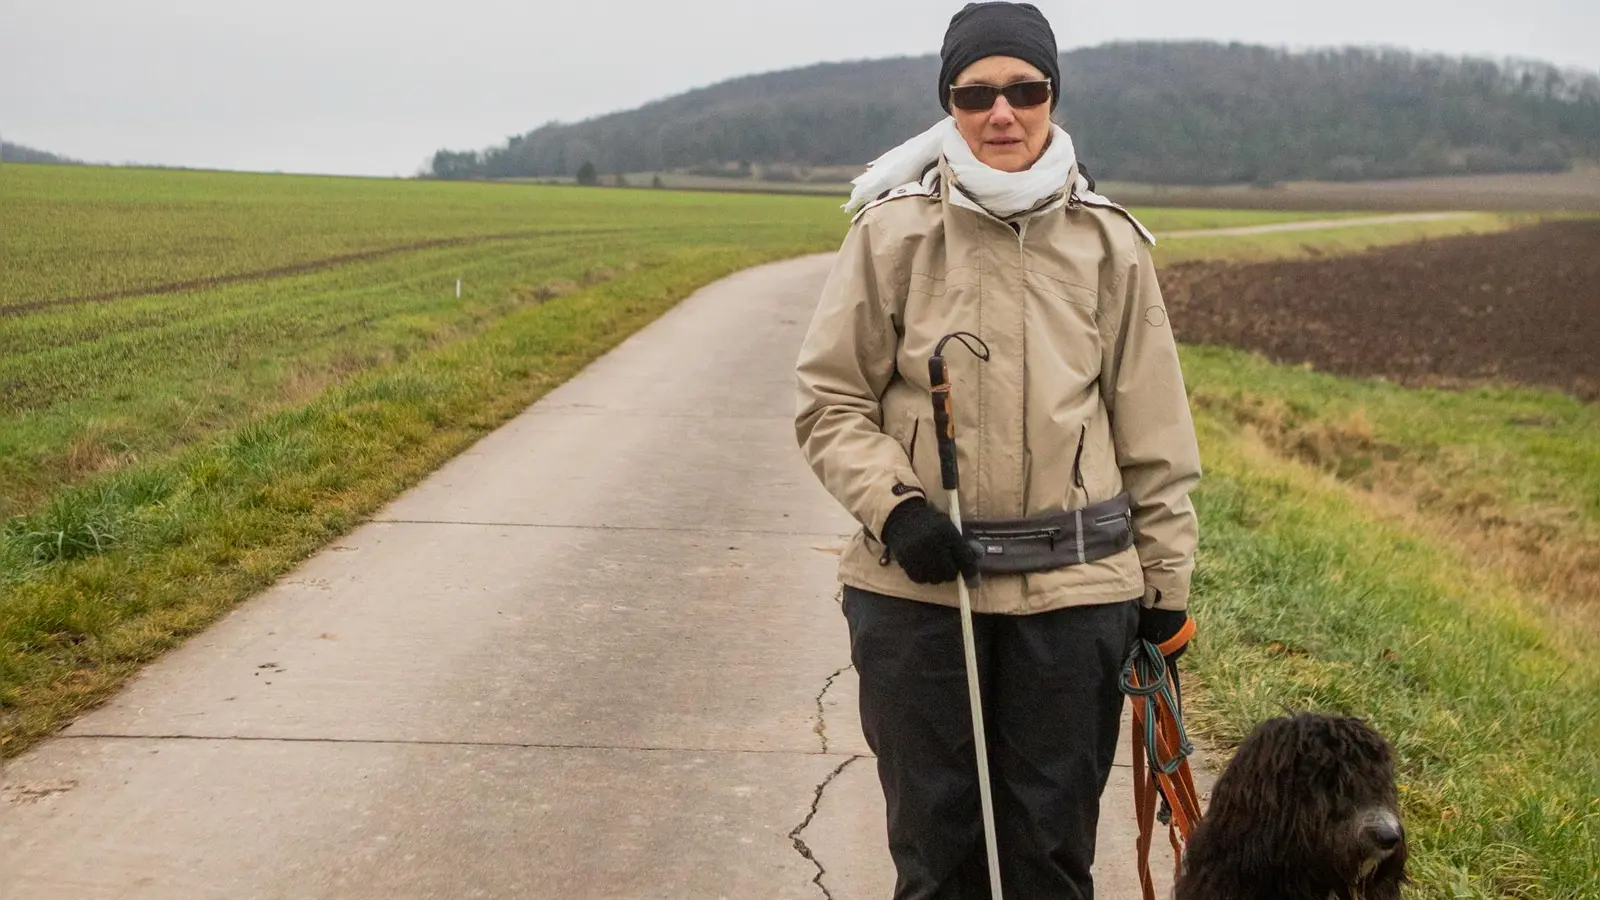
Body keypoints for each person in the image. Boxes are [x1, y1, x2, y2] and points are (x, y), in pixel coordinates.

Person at [793, 3, 1202, 898]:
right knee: (937, 861)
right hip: (919, 598)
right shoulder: (891, 233)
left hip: (1077, 600)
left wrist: (1165, 589)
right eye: (976, 94)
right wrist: (898, 511)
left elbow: (1156, 434)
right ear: (949, 103)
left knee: (1050, 860)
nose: (1002, 113)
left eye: (1025, 89)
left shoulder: (1111, 243)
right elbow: (830, 401)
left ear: (1053, 95)